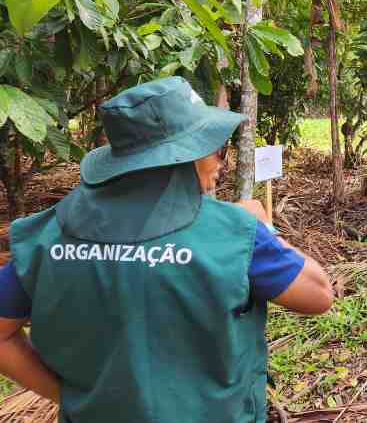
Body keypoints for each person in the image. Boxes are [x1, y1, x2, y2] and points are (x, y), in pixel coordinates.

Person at [0, 77, 334, 423]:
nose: (222, 163)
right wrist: (266, 229)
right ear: (184, 156)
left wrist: (71, 397)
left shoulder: (46, 235)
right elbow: (318, 294)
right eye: (216, 149)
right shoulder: (234, 233)